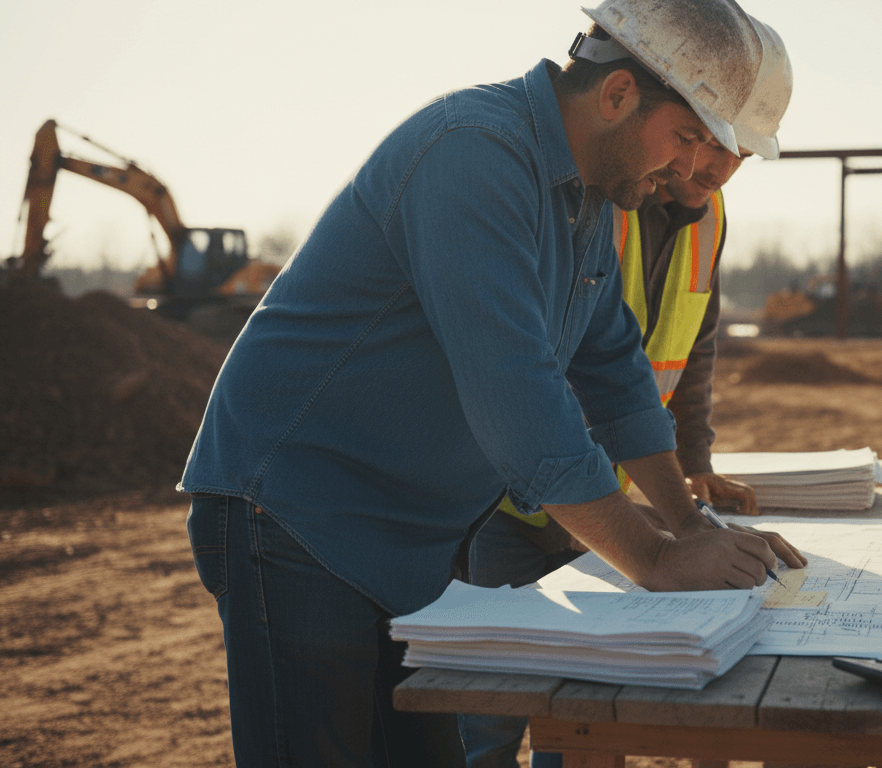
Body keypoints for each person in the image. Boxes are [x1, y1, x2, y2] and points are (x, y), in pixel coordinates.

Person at [177, 1, 806, 765]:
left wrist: (690, 525)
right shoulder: (474, 153)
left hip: (409, 536)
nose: (685, 170)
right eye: (684, 138)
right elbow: (518, 396)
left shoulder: (586, 200)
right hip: (297, 513)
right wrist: (657, 560)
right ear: (617, 97)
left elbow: (613, 372)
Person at [458, 17, 793, 768]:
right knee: (489, 714)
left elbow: (646, 359)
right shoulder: (578, 186)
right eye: (698, 146)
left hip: (604, 492)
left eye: (733, 157)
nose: (709, 170)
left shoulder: (684, 209)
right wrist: (660, 546)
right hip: (514, 498)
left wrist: (687, 499)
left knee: (582, 714)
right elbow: (526, 385)